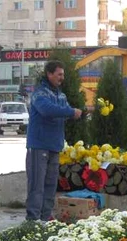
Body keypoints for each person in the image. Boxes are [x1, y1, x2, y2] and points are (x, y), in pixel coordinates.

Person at [25, 60, 83, 222]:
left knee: (50, 185)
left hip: (54, 145)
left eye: (63, 74)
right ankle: (33, 220)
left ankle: (45, 218)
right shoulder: (39, 93)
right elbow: (47, 110)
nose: (62, 78)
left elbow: (64, 112)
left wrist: (81, 113)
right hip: (39, 145)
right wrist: (72, 112)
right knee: (37, 185)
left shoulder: (61, 95)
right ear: (49, 74)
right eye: (59, 74)